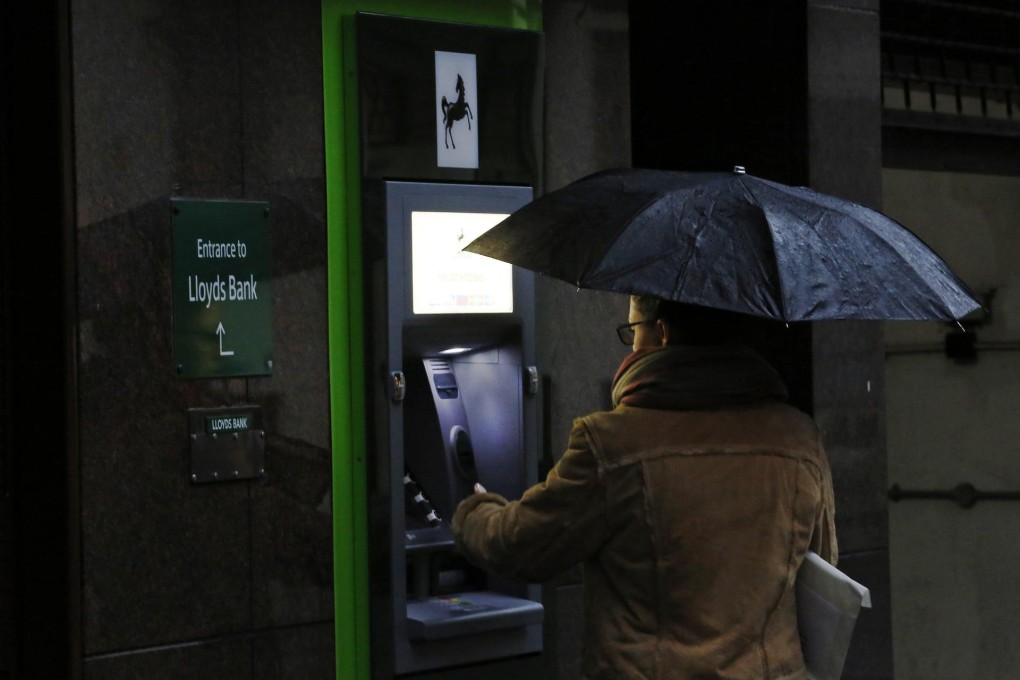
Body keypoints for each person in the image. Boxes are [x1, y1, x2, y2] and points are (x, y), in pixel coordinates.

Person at [451, 295, 837, 680]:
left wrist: (475, 511)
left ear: (662, 332)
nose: (632, 344)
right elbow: (822, 569)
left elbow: (523, 546)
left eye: (632, 330)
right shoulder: (799, 438)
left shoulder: (613, 443)